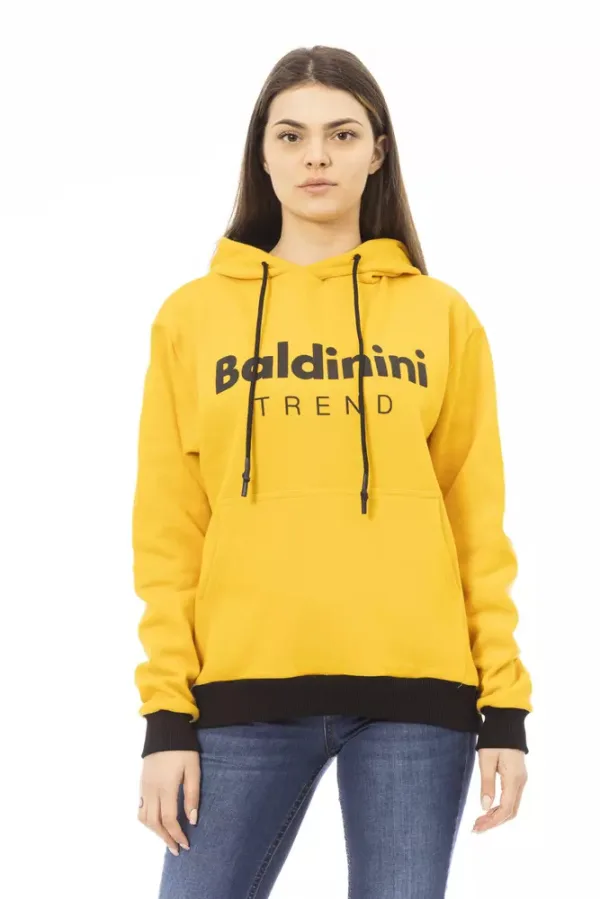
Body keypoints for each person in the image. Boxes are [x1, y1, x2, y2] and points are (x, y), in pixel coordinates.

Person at [132, 44, 533, 899]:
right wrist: (166, 714)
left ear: (377, 151)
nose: (316, 156)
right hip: (241, 691)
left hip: (417, 697)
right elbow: (169, 533)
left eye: (342, 134)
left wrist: (505, 705)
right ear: (263, 152)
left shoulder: (441, 316)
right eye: (292, 135)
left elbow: (476, 523)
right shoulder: (192, 318)